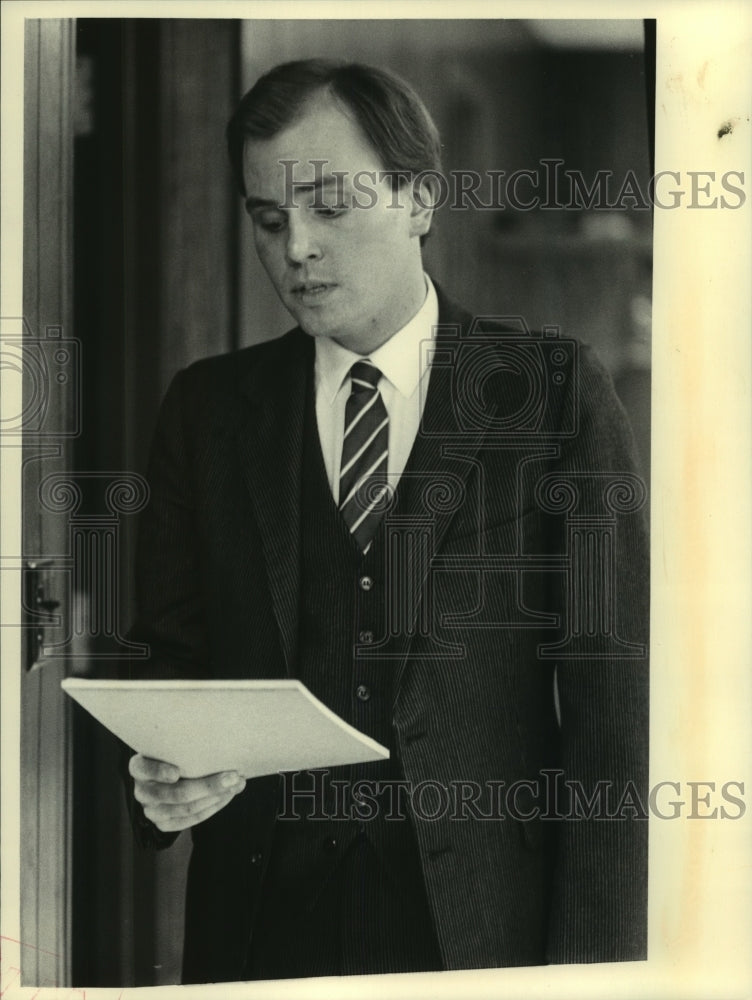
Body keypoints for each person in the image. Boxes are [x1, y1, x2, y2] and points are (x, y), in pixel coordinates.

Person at [124, 59, 649, 984]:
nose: (297, 249)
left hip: (484, 934)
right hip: (258, 937)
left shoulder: (554, 392)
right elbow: (168, 659)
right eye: (269, 218)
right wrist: (163, 776)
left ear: (418, 198)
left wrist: (595, 975)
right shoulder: (207, 411)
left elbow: (616, 717)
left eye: (330, 205)